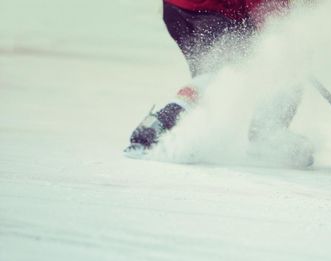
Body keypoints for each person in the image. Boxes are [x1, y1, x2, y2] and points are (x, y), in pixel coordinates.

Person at [125, 0, 313, 167]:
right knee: (226, 72)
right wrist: (285, 35)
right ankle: (268, 136)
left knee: (213, 77)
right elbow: (268, 12)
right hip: (212, 11)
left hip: (176, 9)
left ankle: (180, 130)